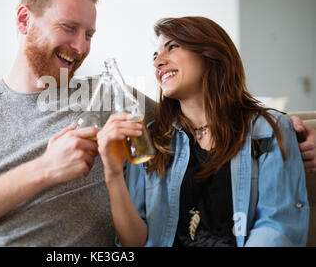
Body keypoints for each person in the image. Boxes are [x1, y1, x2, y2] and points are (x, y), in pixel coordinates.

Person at [0, 0, 315, 247]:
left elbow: (201, 117)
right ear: (23, 20)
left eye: (89, 34)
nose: (81, 47)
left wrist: (292, 130)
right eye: (69, 28)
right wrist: (42, 171)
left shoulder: (113, 98)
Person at [98, 16, 310, 247]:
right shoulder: (150, 140)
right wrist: (113, 173)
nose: (159, 62)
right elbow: (135, 243)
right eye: (155, 56)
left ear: (210, 53)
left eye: (172, 47)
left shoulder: (269, 129)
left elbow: (278, 226)